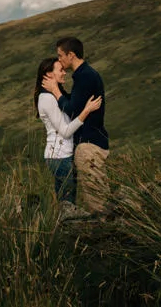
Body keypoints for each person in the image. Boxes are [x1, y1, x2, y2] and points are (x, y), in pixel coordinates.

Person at [34, 56, 102, 204]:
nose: (64, 72)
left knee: (66, 202)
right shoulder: (46, 98)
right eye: (60, 70)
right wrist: (86, 111)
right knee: (68, 202)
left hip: (63, 156)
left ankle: (63, 226)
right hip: (59, 157)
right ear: (48, 74)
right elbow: (65, 131)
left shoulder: (54, 96)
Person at [55, 36, 109, 213]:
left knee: (97, 199)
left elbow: (72, 111)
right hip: (91, 143)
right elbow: (76, 104)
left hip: (89, 146)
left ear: (71, 55)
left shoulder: (85, 76)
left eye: (60, 55)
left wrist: (56, 92)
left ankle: (107, 234)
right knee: (94, 196)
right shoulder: (83, 75)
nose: (59, 60)